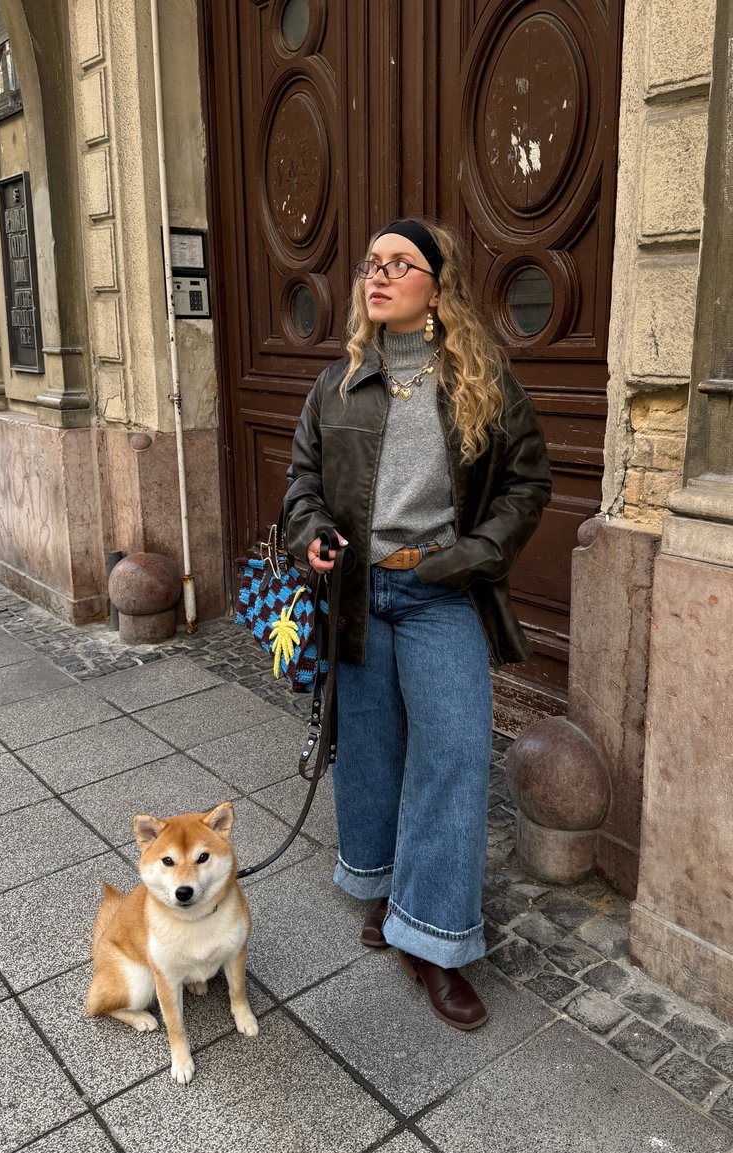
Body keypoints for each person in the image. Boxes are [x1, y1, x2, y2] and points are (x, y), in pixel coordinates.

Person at [283, 218, 551, 1030]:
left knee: (458, 753)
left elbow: (527, 482)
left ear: (437, 284)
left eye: (400, 263)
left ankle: (431, 940)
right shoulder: (338, 383)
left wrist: (475, 554)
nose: (379, 274)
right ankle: (389, 895)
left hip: (439, 594)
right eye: (371, 263)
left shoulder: (480, 380)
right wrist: (311, 535)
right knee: (368, 754)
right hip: (357, 598)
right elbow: (302, 481)